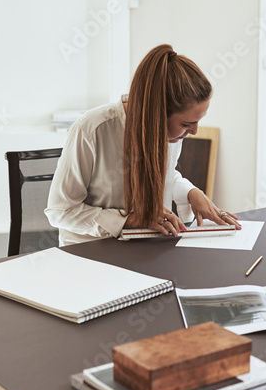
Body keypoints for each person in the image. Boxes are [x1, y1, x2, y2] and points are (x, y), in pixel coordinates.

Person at [46, 44, 241, 246]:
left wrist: (192, 193)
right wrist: (128, 220)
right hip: (92, 253)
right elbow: (61, 211)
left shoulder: (171, 135)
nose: (194, 132)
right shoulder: (91, 129)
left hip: (148, 246)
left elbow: (166, 174)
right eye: (186, 124)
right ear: (156, 114)